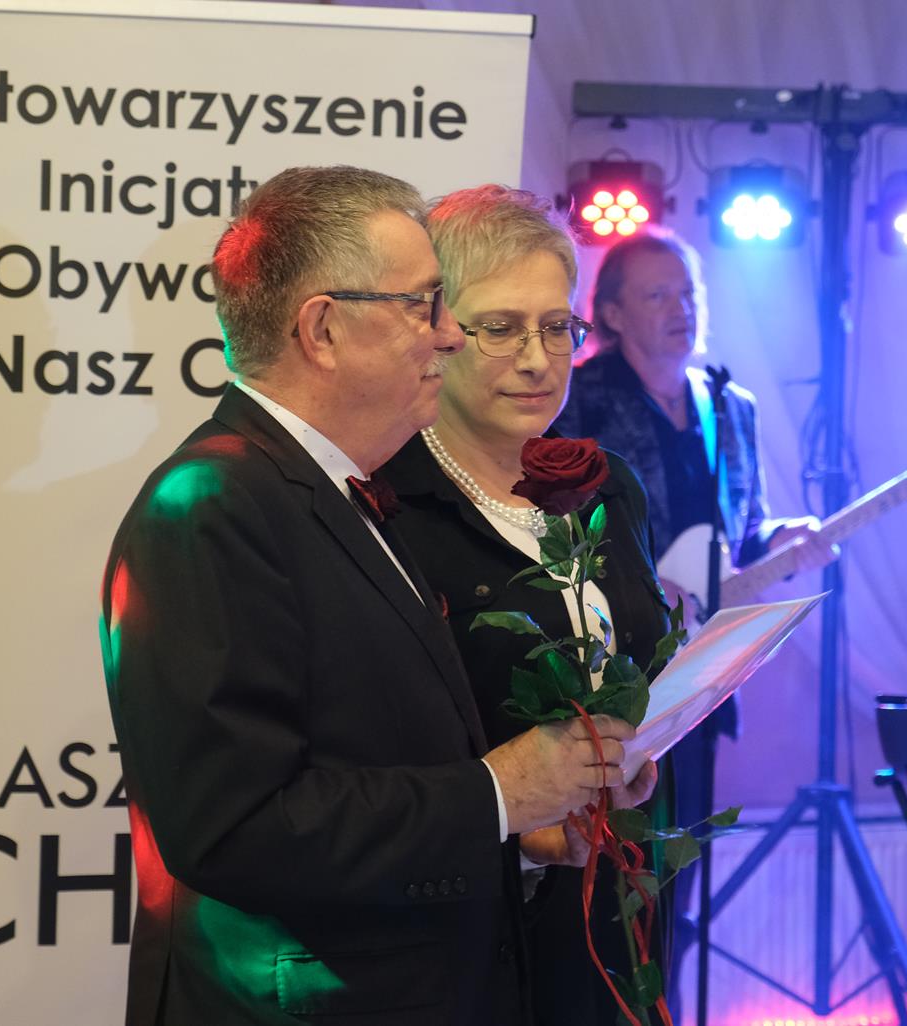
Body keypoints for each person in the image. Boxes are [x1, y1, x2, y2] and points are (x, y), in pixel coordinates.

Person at [100, 166, 637, 1026]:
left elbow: (379, 754)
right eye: (423, 306)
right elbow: (232, 828)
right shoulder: (210, 507)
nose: (448, 337)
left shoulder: (334, 486)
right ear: (322, 329)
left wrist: (523, 832)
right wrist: (498, 793)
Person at [381, 185, 674, 1025]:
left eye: (555, 327)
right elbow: (383, 748)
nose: (539, 359)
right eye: (501, 328)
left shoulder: (607, 485)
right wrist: (523, 826)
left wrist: (640, 750)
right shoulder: (387, 503)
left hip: (610, 912)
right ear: (435, 329)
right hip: (459, 937)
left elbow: (638, 665)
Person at [553, 228, 837, 1012]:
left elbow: (738, 533)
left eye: (687, 293)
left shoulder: (729, 405)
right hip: (607, 673)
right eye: (657, 295)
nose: (680, 308)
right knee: (604, 877)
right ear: (611, 314)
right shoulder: (578, 398)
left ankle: (664, 1008)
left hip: (703, 672)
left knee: (674, 874)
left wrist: (779, 541)